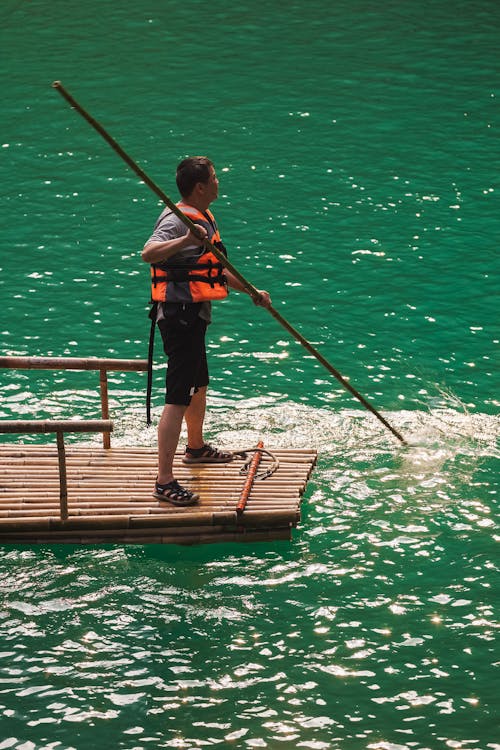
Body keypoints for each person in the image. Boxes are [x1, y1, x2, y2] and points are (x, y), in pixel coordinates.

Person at [142, 156, 271, 507]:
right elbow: (149, 253)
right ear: (200, 187)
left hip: (195, 315)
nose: (218, 181)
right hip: (179, 318)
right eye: (214, 177)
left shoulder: (205, 218)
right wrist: (184, 238)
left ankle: (195, 448)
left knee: (199, 384)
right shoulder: (178, 219)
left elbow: (215, 269)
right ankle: (164, 480)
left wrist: (252, 293)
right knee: (178, 396)